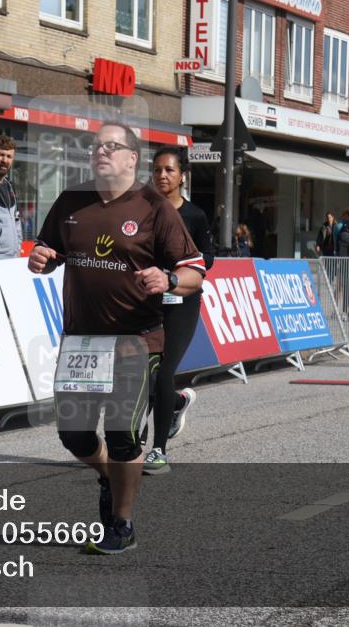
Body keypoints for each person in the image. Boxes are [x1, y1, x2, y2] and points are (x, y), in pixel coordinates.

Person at [27, 122, 206, 554]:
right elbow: (49, 249)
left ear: (132, 158)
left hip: (135, 339)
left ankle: (122, 524)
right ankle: (108, 474)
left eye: (112, 146)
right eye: (96, 146)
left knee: (123, 432)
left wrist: (167, 278)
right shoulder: (72, 202)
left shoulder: (154, 207)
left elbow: (194, 271)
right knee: (74, 435)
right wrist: (42, 258)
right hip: (81, 343)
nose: (101, 152)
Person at [142, 145, 214, 475]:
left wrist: (175, 272)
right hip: (147, 303)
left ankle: (157, 449)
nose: (162, 176)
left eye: (169, 170)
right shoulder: (142, 211)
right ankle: (177, 402)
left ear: (182, 175)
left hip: (182, 303)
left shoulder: (194, 215)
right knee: (146, 373)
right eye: (157, 170)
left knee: (164, 371)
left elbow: (207, 261)